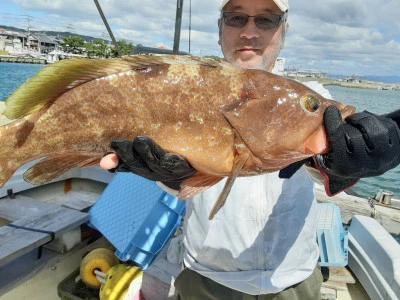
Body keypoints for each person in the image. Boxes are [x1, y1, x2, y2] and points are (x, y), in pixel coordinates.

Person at [101, 0, 400, 298]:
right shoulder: (181, 90)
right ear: (220, 28)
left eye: (267, 20)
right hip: (206, 277)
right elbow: (169, 173)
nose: (249, 31)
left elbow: (322, 159)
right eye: (236, 18)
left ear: (283, 31)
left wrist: (349, 158)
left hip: (293, 278)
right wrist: (170, 178)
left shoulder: (310, 96)